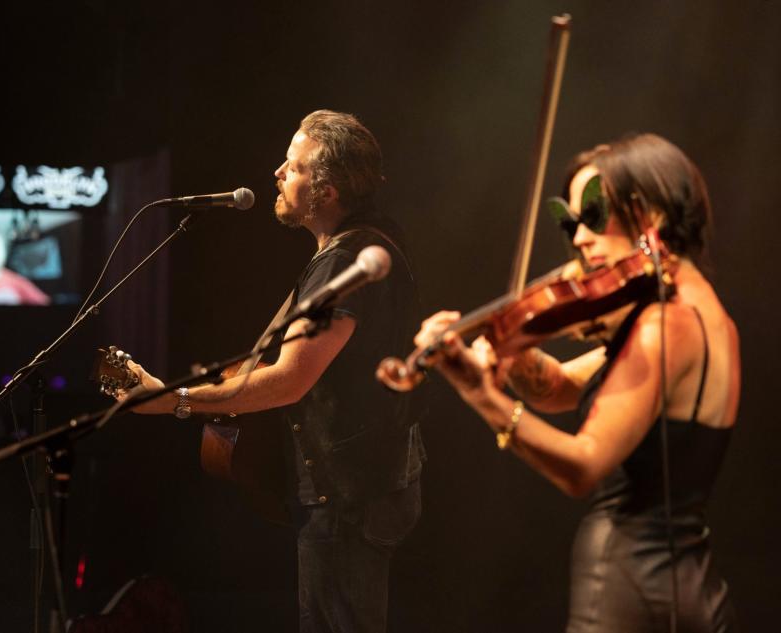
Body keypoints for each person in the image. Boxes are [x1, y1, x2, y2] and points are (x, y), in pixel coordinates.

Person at [414, 133, 738, 632]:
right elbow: (564, 387)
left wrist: (481, 395)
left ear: (650, 214)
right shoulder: (708, 320)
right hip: (695, 589)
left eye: (594, 216)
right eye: (572, 223)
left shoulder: (664, 326)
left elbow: (582, 466)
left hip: (625, 584)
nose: (580, 240)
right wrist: (515, 351)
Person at [121, 110, 425, 633]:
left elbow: (290, 378)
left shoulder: (343, 261)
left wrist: (176, 400)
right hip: (370, 482)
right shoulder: (368, 241)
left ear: (326, 192)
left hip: (348, 493)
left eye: (294, 166)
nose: (278, 174)